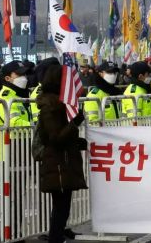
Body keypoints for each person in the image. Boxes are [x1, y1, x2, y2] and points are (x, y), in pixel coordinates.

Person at [34, 64, 88, 243]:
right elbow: (55, 138)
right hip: (57, 163)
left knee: (63, 207)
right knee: (60, 207)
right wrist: (75, 124)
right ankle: (55, 239)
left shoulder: (61, 104)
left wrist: (77, 141)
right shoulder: (50, 107)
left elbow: (62, 135)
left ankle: (56, 237)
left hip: (64, 162)